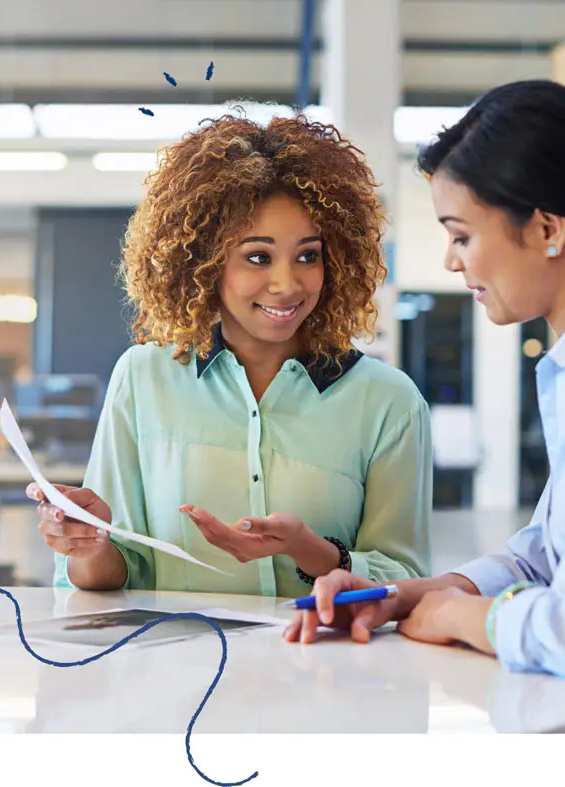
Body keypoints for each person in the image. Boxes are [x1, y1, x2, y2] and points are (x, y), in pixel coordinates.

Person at [26, 112, 432, 596]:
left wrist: (309, 550)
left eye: (309, 256)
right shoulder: (144, 379)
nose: (286, 284)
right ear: (205, 262)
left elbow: (404, 579)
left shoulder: (388, 402)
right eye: (257, 257)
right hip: (179, 668)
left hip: (324, 667)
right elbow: (113, 577)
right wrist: (89, 547)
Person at [285, 80, 565, 678]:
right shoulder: (558, 373)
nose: (450, 260)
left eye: (461, 234)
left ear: (547, 230)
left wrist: (468, 619)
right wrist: (412, 595)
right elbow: (545, 549)